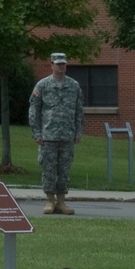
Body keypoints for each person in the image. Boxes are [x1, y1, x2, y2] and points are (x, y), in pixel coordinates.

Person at [28, 53, 83, 215]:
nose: (60, 67)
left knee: (64, 170)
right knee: (48, 169)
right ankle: (49, 201)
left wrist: (78, 131)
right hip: (48, 135)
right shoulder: (42, 86)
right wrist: (36, 132)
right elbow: (34, 110)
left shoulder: (74, 86)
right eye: (57, 64)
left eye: (63, 64)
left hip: (67, 136)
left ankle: (61, 202)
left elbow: (79, 111)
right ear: (51, 64)